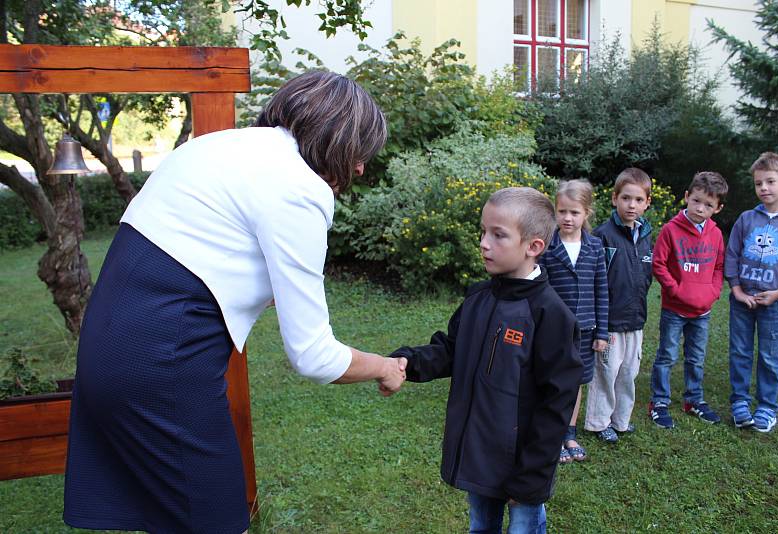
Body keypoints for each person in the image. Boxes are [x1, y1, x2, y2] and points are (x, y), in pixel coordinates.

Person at [62, 71, 407, 534]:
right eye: (360, 152)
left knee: (175, 520)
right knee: (219, 523)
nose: (361, 168)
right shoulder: (299, 189)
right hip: (162, 369)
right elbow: (313, 356)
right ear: (338, 140)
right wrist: (384, 366)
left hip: (107, 348)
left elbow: (198, 256)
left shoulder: (219, 147)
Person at [391, 187, 582, 534]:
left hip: (526, 463)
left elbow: (558, 403)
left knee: (524, 527)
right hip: (481, 453)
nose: (483, 242)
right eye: (483, 231)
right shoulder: (478, 297)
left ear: (533, 246)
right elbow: (451, 349)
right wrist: (408, 361)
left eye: (498, 235)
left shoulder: (550, 315)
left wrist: (532, 476)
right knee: (481, 526)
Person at [725, 152, 778, 433]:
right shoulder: (746, 219)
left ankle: (767, 407)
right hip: (741, 300)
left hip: (774, 303)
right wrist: (737, 289)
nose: (764, 188)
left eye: (770, 181)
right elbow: (732, 255)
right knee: (740, 352)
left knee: (770, 356)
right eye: (758, 183)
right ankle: (740, 403)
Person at [648, 172, 727, 429]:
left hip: (702, 310)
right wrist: (675, 289)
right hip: (675, 309)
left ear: (718, 208)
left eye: (708, 205)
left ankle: (693, 400)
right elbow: (658, 265)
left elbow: (718, 267)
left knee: (696, 357)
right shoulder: (671, 230)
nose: (700, 209)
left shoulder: (715, 234)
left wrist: (713, 292)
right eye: (696, 201)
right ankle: (659, 402)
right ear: (686, 197)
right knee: (667, 355)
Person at [584, 168, 653, 444]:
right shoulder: (603, 236)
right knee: (606, 373)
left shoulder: (646, 235)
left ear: (647, 202)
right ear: (614, 199)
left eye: (638, 200)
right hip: (610, 321)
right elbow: (594, 281)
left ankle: (620, 420)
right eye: (626, 198)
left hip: (635, 319)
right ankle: (599, 422)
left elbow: (646, 275)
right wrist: (598, 324)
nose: (631, 205)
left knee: (628, 373)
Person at [542, 179, 608, 464]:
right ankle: (551, 437)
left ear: (587, 213)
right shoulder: (546, 247)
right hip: (554, 331)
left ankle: (569, 433)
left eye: (574, 212)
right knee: (552, 382)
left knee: (576, 383)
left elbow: (602, 291)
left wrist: (602, 331)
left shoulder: (595, 248)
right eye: (562, 211)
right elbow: (540, 291)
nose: (567, 218)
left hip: (586, 331)